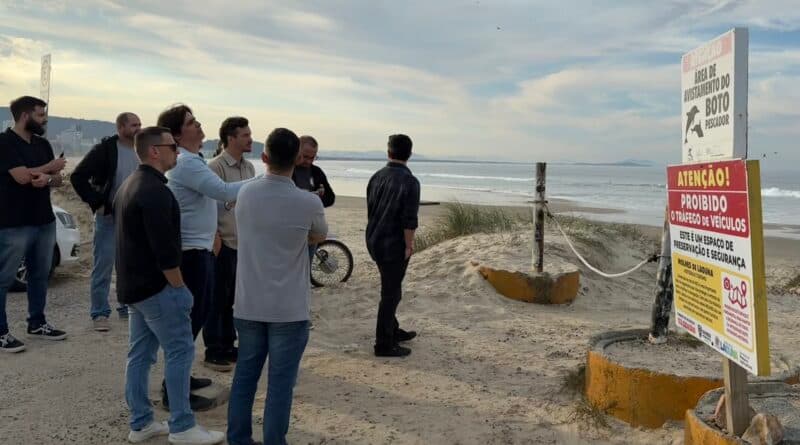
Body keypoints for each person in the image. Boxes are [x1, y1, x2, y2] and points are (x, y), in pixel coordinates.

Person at [115, 126, 224, 444]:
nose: (177, 152)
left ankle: (141, 423)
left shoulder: (130, 184)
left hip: (134, 288)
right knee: (180, 351)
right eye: (172, 147)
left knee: (140, 356)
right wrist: (179, 288)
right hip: (156, 289)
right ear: (154, 151)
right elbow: (166, 252)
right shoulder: (155, 192)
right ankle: (182, 426)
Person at [227, 128, 327, 445]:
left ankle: (238, 439)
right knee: (280, 384)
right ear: (297, 159)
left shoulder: (246, 193)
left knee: (245, 377)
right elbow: (319, 235)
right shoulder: (308, 202)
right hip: (289, 308)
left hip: (248, 303)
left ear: (264, 156)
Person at [0, 96, 68, 353]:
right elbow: (20, 176)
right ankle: (1, 332)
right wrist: (50, 167)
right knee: (4, 279)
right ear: (25, 116)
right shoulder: (4, 142)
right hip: (13, 223)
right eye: (40, 115)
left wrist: (47, 179)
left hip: (44, 220)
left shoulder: (42, 144)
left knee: (39, 275)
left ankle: (37, 323)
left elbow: (58, 180)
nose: (45, 120)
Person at [70, 112, 142, 330]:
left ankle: (126, 306)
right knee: (103, 265)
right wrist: (97, 203)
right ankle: (99, 312)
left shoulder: (143, 150)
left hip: (134, 217)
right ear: (120, 127)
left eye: (140, 124)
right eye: (133, 125)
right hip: (109, 216)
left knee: (130, 265)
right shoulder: (105, 149)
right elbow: (77, 176)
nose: (138, 128)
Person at [205, 117, 255, 371]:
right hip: (222, 243)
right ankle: (213, 349)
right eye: (245, 135)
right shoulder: (215, 167)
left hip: (243, 244)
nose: (250, 139)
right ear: (231, 138)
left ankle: (227, 344)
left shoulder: (249, 168)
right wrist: (215, 237)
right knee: (217, 299)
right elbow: (208, 206)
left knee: (233, 298)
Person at [365, 134, 420, 358]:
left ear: (389, 152)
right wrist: (409, 244)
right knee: (391, 293)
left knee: (391, 288)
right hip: (393, 243)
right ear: (409, 154)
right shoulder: (410, 181)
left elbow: (371, 209)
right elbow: (409, 219)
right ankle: (383, 343)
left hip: (374, 239)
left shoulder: (377, 177)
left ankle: (392, 330)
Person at [291, 135, 335, 208]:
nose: (308, 161)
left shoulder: (317, 172)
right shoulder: (285, 170)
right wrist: (311, 197)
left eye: (312, 158)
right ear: (296, 151)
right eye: (305, 157)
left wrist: (318, 197)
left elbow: (330, 198)